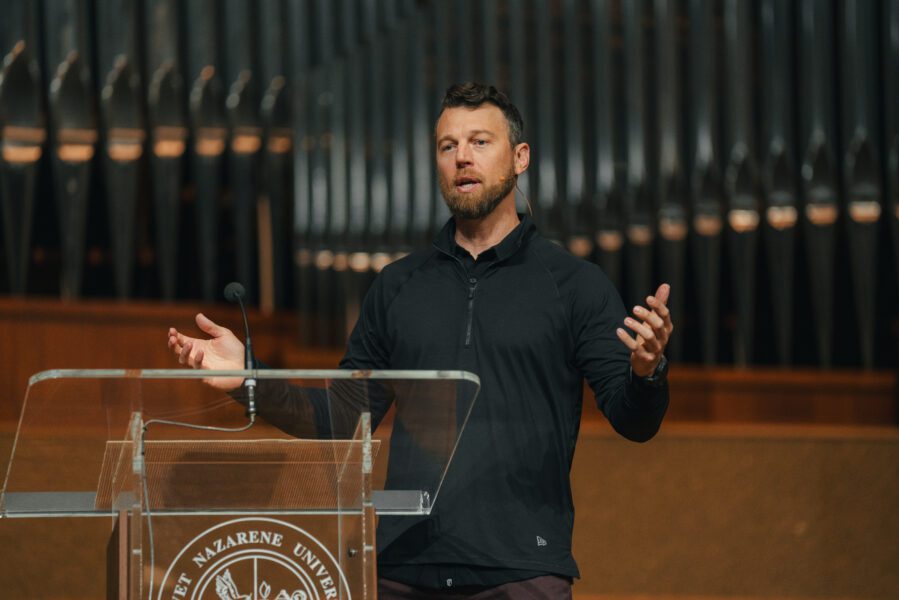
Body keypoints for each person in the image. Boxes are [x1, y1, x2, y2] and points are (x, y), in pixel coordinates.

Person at [169, 82, 673, 600]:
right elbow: (343, 418)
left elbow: (634, 422)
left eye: (480, 142)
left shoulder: (573, 284)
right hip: (403, 571)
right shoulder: (398, 285)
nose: (462, 158)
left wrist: (646, 370)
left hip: (520, 572)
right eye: (448, 146)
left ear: (519, 157)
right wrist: (250, 379)